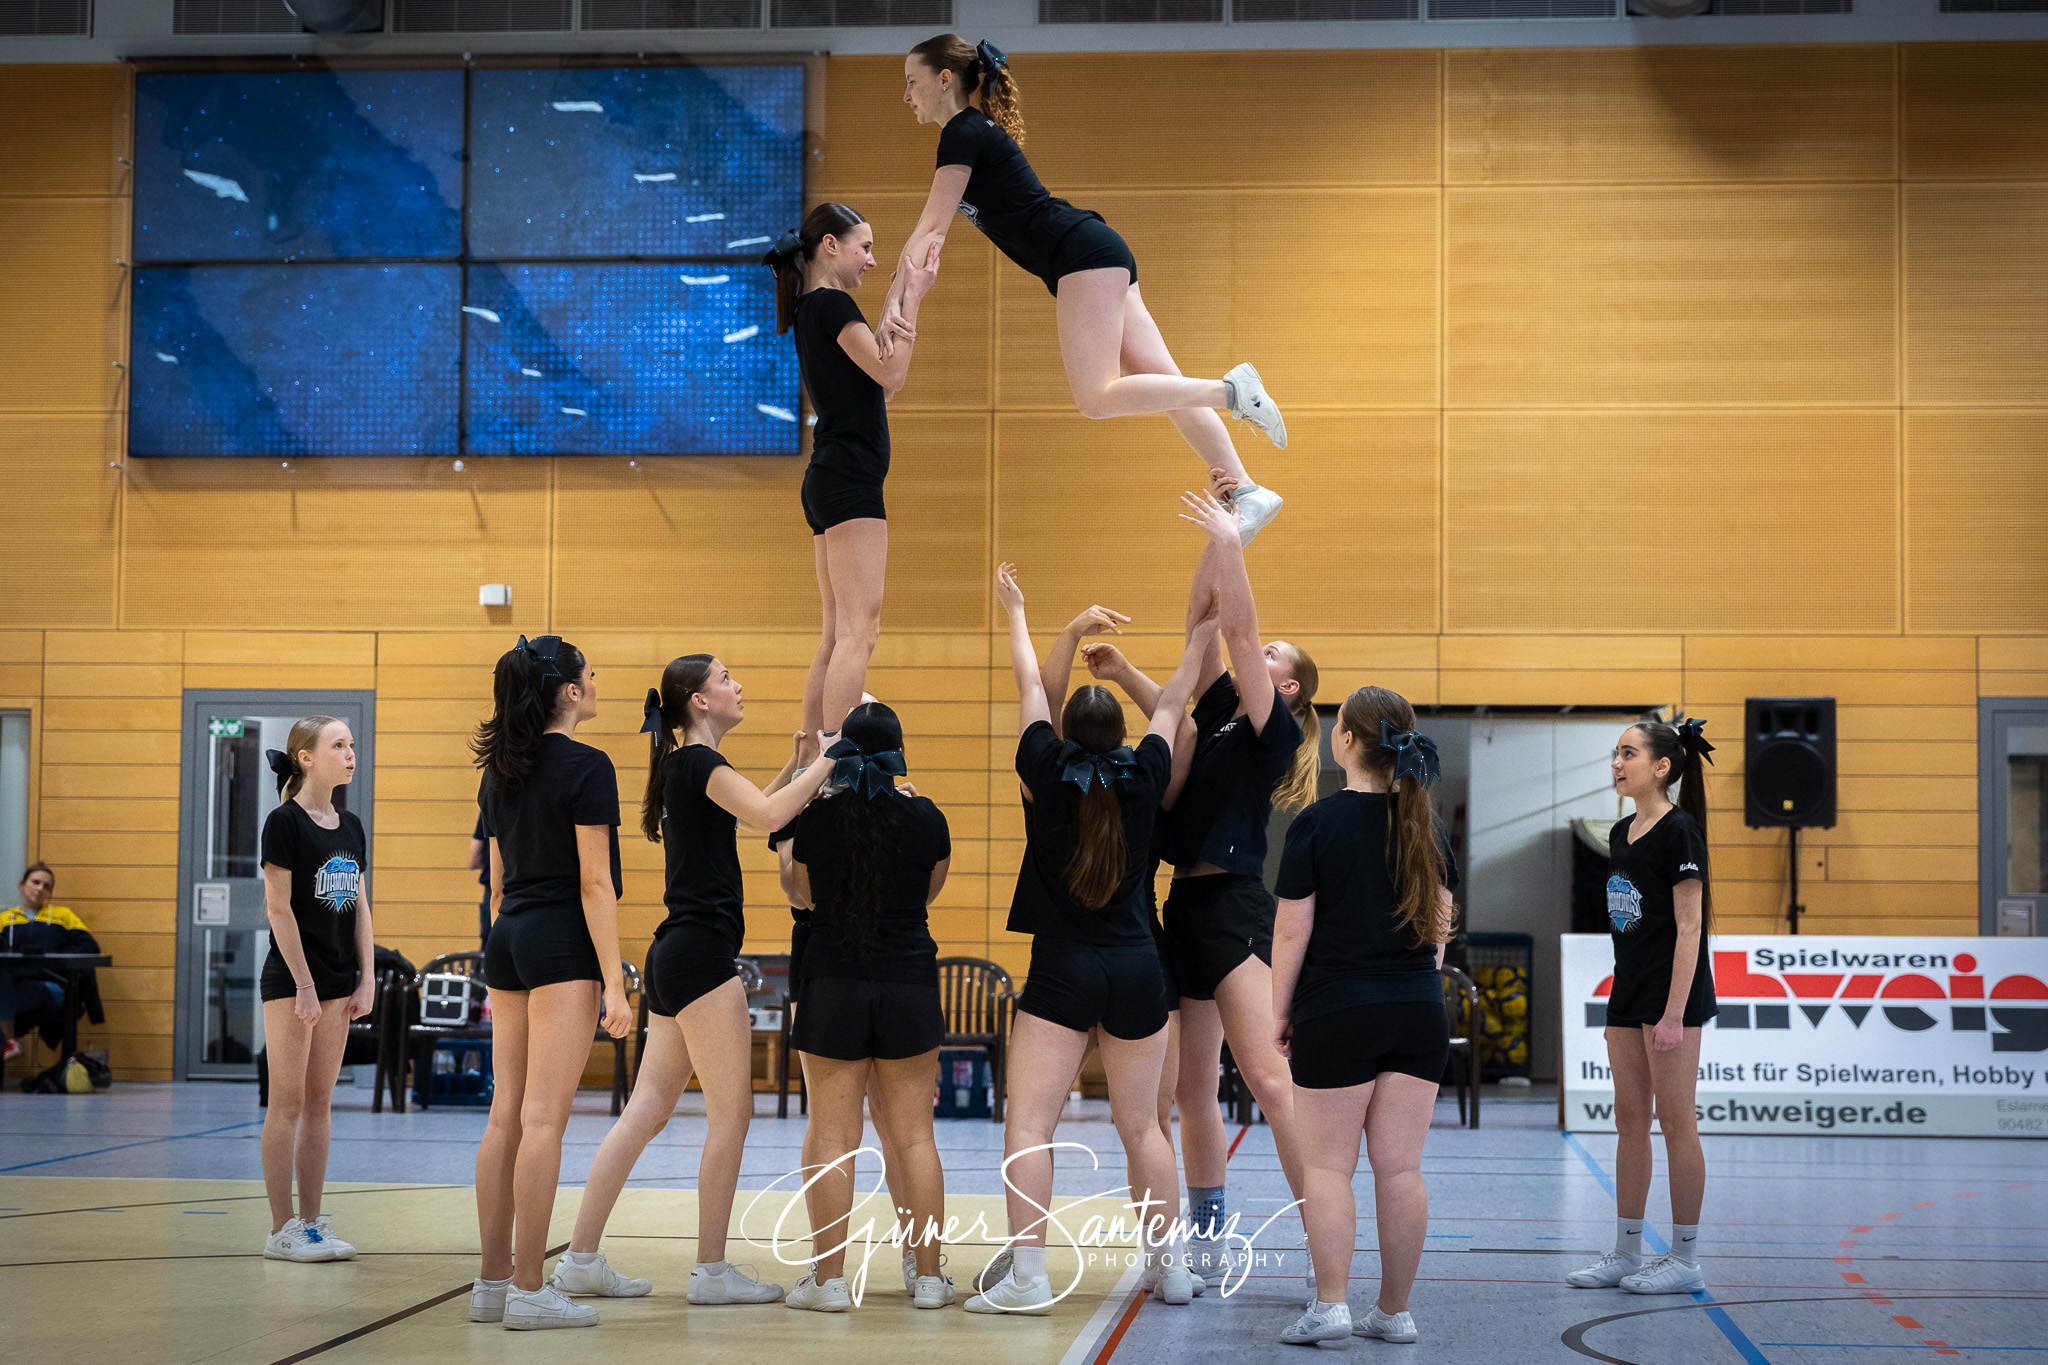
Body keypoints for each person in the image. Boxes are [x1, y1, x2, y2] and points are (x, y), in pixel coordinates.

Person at [880, 34, 1289, 545]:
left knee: (1095, 398)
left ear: (944, 80)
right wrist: (896, 294)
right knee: (1161, 382)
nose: (905, 96)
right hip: (1092, 251)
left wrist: (891, 305)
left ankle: (1232, 391)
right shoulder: (971, 131)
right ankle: (1248, 489)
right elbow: (929, 236)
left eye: (911, 83)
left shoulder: (962, 132)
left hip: (1079, 254)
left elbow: (930, 232)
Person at [1082, 479, 1321, 1286]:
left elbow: (1240, 630)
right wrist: (1214, 544)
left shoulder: (1269, 728)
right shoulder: (1220, 719)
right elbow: (1203, 631)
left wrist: (1234, 538)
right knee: (1189, 1092)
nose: (1261, 652)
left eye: (1276, 657)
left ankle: (1323, 1228)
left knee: (1269, 1080)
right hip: (1177, 907)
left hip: (1233, 907)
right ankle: (1207, 1233)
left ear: (1286, 687)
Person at [966, 557, 1216, 1316]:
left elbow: (1029, 687)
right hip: (1141, 967)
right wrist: (1206, 629)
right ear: (1119, 736)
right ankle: (1169, 1268)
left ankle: (1030, 1278)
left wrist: (1035, 616)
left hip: (1064, 968)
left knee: (1030, 1121)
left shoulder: (1042, 766)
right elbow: (1175, 700)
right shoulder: (1144, 774)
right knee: (1145, 1124)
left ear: (1067, 734)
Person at [552, 655, 831, 1309]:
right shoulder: (698, 765)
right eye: (727, 677)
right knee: (732, 1115)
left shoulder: (687, 766)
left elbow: (748, 807)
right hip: (703, 958)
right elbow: (766, 816)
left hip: (674, 955)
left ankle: (579, 1258)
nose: (739, 685)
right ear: (700, 702)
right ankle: (710, 1271)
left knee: (646, 1110)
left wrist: (797, 766)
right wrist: (832, 760)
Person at [1269, 686, 1456, 1346]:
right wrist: (1409, 989)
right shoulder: (1424, 824)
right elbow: (1440, 928)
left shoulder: (1317, 824)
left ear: (1345, 740)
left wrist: (1279, 1009)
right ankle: (1395, 1311)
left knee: (1327, 1169)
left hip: (1336, 1011)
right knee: (1401, 1168)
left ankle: (1331, 1305)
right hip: (1417, 1013)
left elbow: (1292, 930)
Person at [469, 635, 633, 1331]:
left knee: (506, 1114)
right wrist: (615, 985)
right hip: (561, 938)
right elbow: (596, 883)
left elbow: (497, 882)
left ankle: (492, 1281)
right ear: (569, 690)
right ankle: (532, 1288)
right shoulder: (588, 766)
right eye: (590, 675)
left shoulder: (499, 769)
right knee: (543, 1120)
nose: (597, 682)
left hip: (506, 940)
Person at [783, 701, 955, 1312]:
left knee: (832, 1137)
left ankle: (829, 1282)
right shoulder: (928, 817)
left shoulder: (818, 820)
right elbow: (930, 890)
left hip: (833, 982)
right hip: (909, 980)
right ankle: (930, 1277)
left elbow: (799, 893)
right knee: (914, 1138)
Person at [764, 204, 940, 749]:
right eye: (863, 247)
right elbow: (894, 374)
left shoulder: (813, 307)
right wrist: (912, 296)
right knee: (859, 633)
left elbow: (877, 385)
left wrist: (892, 312)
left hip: (830, 478)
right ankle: (839, 764)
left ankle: (812, 759)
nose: (870, 258)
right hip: (848, 479)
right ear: (830, 246)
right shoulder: (832, 304)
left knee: (838, 632)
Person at [1568, 718, 1718, 1296]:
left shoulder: (1681, 832)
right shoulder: (1620, 831)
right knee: (1629, 1122)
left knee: (1677, 1122)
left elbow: (1690, 928)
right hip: (1627, 993)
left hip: (1671, 996)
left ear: (1661, 767)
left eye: (1628, 754)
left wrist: (1675, 1012)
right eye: (1614, 754)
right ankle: (1626, 1251)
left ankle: (1684, 1257)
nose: (1616, 763)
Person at [256, 718, 375, 1265]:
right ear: (305, 757)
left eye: (351, 745)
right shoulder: (283, 823)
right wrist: (302, 985)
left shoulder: (350, 824)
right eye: (338, 745)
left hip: (336, 983)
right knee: (287, 1103)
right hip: (292, 981)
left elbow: (360, 908)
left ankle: (310, 1222)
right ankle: (281, 1228)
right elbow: (278, 909)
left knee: (321, 1103)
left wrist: (367, 977)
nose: (350, 754)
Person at [0, 864, 102, 1063]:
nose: (39, 888)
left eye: (46, 886)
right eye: (35, 882)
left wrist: (61, 957)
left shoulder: (64, 916)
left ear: (50, 893)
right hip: (13, 987)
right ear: (22, 885)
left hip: (51, 988)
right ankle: (9, 1043)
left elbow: (90, 946)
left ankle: (9, 1041)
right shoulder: (5, 919)